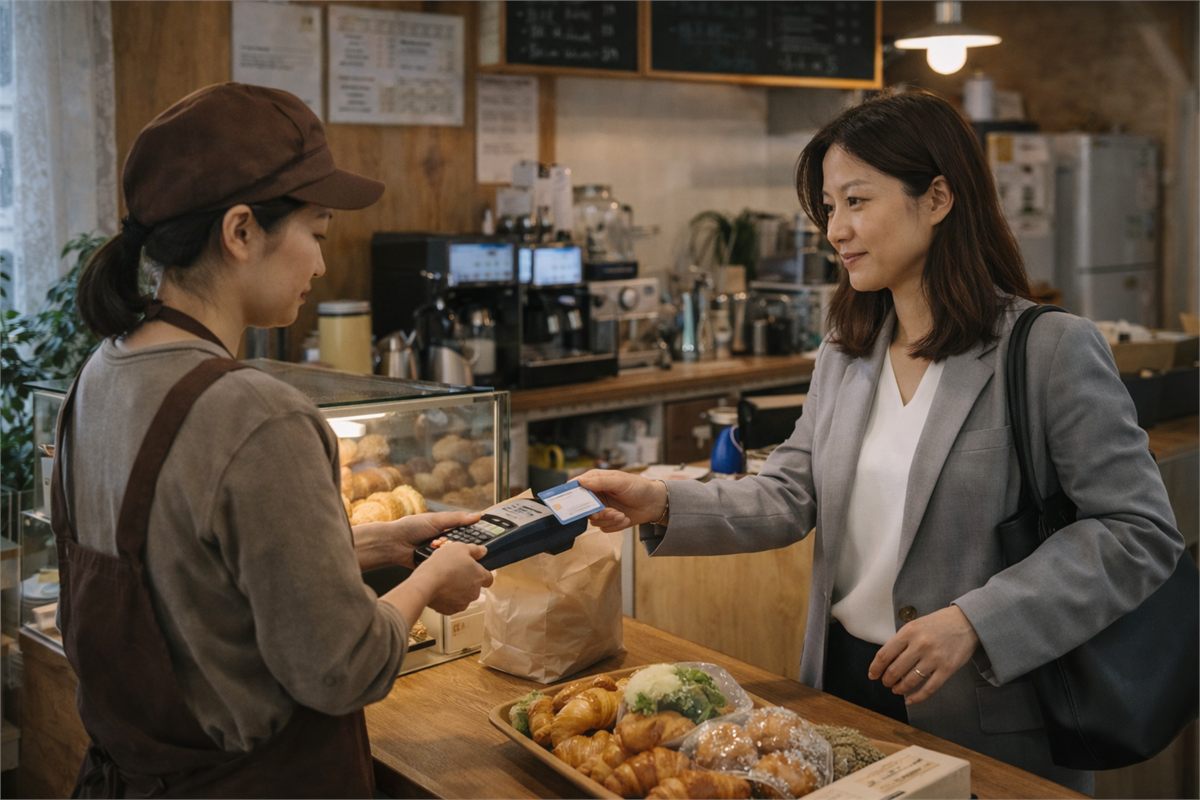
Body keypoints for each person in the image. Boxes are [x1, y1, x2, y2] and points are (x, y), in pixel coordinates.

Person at [578, 89, 1182, 792]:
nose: (836, 230)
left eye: (857, 201)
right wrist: (659, 500)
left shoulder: (1050, 349)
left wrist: (976, 621)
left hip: (990, 709)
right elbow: (790, 492)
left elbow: (1137, 530)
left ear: (938, 198)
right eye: (829, 207)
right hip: (842, 689)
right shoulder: (848, 351)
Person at [56, 82, 494, 798]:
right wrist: (428, 581)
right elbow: (343, 668)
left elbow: (186, 576)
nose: (320, 265)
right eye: (316, 233)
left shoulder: (99, 375)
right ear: (240, 232)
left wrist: (370, 547)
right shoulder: (258, 414)